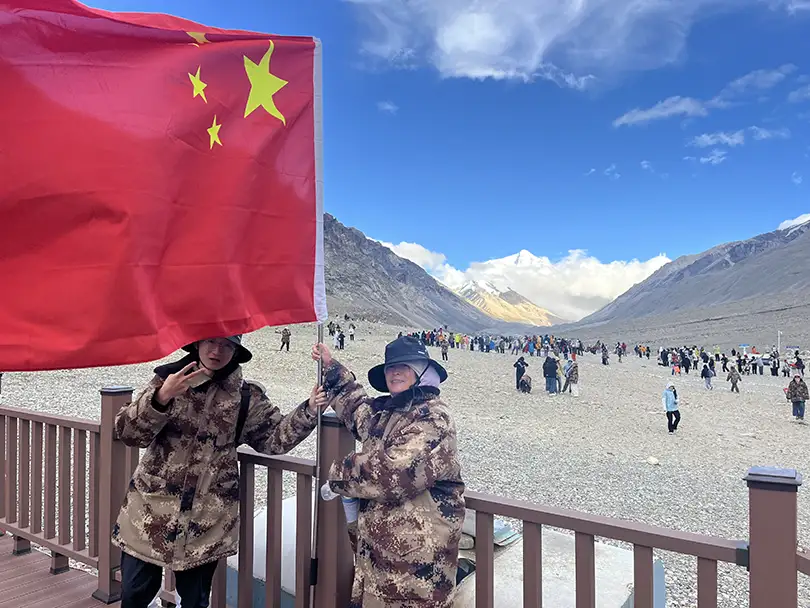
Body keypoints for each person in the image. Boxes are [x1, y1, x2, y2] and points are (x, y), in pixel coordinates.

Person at [112, 335, 326, 608]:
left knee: (195, 601)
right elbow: (127, 433)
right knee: (133, 595)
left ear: (236, 350)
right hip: (149, 514)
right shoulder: (169, 380)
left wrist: (308, 409)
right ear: (197, 344)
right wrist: (162, 396)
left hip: (206, 521)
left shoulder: (246, 396)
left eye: (227, 345)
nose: (217, 351)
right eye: (211, 342)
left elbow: (274, 439)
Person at [311, 337, 464, 608]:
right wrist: (331, 367)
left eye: (404, 366)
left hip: (416, 575)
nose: (394, 371)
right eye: (390, 366)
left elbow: (395, 473)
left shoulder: (433, 417)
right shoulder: (386, 413)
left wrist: (338, 475)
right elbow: (356, 407)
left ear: (422, 371)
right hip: (378, 568)